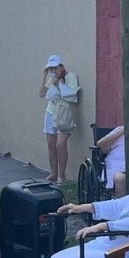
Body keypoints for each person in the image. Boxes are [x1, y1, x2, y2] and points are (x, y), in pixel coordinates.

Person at [39, 55, 80, 183]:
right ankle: (53, 173)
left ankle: (62, 175)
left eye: (55, 68)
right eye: (51, 69)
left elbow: (72, 96)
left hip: (63, 114)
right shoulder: (52, 78)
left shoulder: (70, 77)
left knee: (60, 144)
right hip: (51, 112)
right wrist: (44, 76)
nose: (54, 71)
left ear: (61, 66)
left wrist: (58, 86)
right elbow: (41, 94)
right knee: (51, 144)